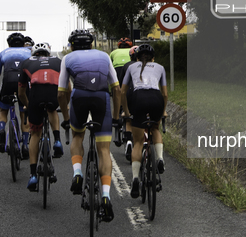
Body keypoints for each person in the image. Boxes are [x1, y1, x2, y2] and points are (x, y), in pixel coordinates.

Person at [58, 29, 121, 222]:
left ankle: (77, 173)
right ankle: (105, 196)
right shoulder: (104, 56)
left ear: (72, 46)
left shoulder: (67, 59)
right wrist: (116, 117)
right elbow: (116, 89)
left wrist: (67, 118)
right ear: (92, 44)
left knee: (77, 136)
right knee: (103, 149)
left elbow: (61, 92)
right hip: (101, 97)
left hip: (79, 97)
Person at [120, 44, 168, 199]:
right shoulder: (160, 67)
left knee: (138, 142)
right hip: (156, 98)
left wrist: (126, 111)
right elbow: (165, 94)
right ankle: (160, 159)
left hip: (138, 98)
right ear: (153, 58)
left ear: (137, 57)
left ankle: (135, 178)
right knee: (155, 130)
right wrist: (163, 111)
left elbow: (122, 91)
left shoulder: (131, 67)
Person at [18, 42, 64, 192]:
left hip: (36, 96)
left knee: (35, 134)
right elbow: (67, 87)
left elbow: (21, 93)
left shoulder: (26, 63)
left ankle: (32, 175)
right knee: (52, 110)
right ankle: (57, 140)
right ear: (48, 53)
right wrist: (65, 105)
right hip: (53, 94)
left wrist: (28, 105)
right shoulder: (58, 61)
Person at [0, 32, 32, 158]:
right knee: (24, 113)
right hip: (23, 85)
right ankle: (25, 145)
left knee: (3, 111)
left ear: (9, 44)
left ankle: (2, 129)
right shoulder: (28, 53)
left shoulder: (4, 53)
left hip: (7, 83)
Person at [117, 46, 138, 161]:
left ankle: (129, 140)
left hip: (129, 93)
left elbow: (120, 84)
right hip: (143, 94)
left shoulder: (127, 66)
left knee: (128, 118)